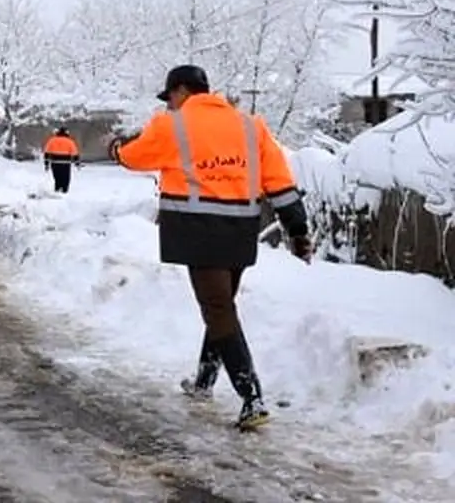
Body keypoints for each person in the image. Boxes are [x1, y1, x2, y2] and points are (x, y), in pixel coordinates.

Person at [105, 64, 312, 431]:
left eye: (170, 97)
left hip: (198, 230)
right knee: (222, 306)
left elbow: (136, 157)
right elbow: (279, 182)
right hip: (240, 231)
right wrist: (298, 230)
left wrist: (116, 149)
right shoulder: (252, 126)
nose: (169, 104)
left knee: (217, 309)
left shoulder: (172, 124)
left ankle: (253, 399)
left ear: (182, 91)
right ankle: (204, 382)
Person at [43, 127, 81, 193]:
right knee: (65, 180)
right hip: (65, 164)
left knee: (57, 179)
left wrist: (46, 164)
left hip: (55, 163)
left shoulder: (52, 140)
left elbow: (46, 152)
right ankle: (64, 192)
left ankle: (57, 190)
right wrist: (77, 163)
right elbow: (75, 153)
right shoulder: (70, 141)